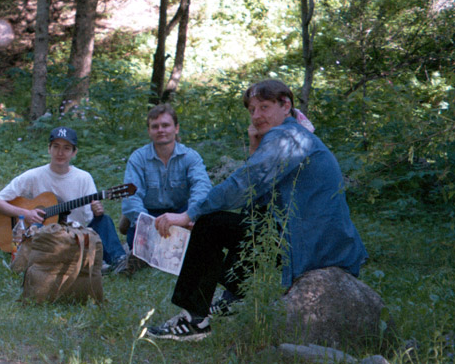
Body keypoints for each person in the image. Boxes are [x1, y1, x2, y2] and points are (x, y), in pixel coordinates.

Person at [146, 79, 367, 341]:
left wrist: (189, 214)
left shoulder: (288, 137)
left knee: (211, 224)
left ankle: (194, 320)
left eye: (264, 107)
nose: (256, 116)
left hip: (313, 244)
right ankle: (233, 299)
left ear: (285, 105)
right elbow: (257, 201)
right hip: (318, 241)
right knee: (244, 220)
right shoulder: (295, 134)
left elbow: (243, 184)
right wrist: (254, 147)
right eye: (252, 110)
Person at [0, 126, 124, 265]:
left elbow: (91, 220)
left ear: (74, 152)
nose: (60, 153)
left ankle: (119, 261)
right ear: (49, 149)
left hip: (75, 236)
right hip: (45, 238)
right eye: (56, 147)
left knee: (104, 220)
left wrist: (97, 214)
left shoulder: (84, 178)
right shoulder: (33, 176)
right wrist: (26, 214)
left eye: (66, 148)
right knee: (41, 230)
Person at [118, 104, 211, 272]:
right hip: (150, 214)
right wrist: (148, 225)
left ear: (176, 128)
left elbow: (202, 188)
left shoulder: (190, 157)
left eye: (166, 125)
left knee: (202, 230)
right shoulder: (138, 158)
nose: (160, 130)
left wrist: (188, 216)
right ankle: (145, 254)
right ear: (149, 131)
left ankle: (158, 253)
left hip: (180, 213)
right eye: (155, 126)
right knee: (137, 240)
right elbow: (131, 197)